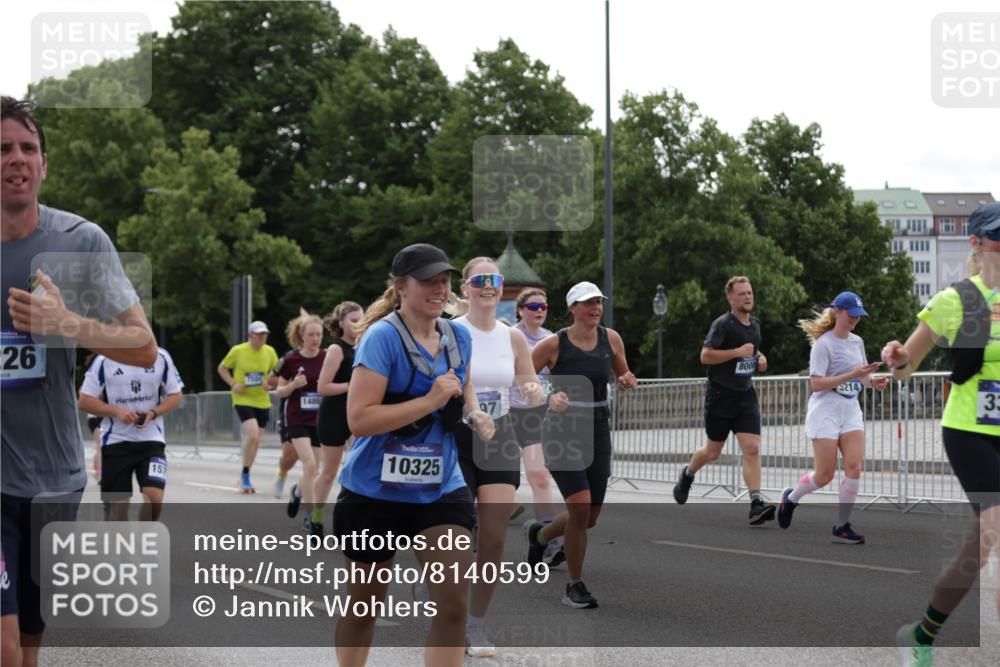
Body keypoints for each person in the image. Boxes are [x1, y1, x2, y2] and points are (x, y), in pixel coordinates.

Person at [2, 95, 158, 667]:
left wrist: (66, 323)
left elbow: (143, 348)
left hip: (53, 474)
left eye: (28, 148)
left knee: (32, 628)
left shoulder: (81, 241)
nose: (16, 158)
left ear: (44, 163)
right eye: (2, 148)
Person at [333, 243, 493, 667]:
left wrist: (475, 413)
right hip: (375, 492)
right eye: (429, 281)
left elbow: (464, 384)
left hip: (440, 487)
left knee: (454, 606)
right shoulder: (382, 338)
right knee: (364, 609)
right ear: (402, 287)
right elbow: (360, 419)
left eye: (444, 280)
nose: (439, 289)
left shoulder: (459, 335)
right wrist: (430, 400)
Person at [884, 202, 1000, 666]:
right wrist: (896, 358)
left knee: (976, 549)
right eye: (998, 237)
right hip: (970, 433)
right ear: (976, 243)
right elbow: (905, 365)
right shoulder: (959, 300)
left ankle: (923, 633)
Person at [524, 281, 637, 609]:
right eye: (587, 303)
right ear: (572, 308)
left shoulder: (610, 339)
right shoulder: (552, 344)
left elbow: (623, 374)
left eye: (598, 302)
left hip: (598, 431)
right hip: (561, 432)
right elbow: (523, 379)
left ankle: (541, 536)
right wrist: (547, 395)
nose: (595, 308)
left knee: (588, 517)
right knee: (580, 506)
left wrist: (628, 380)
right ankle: (574, 585)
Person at [452, 259, 544, 656]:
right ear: (466, 287)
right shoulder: (451, 331)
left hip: (500, 436)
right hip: (455, 436)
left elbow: (528, 383)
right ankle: (437, 587)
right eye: (480, 280)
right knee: (454, 538)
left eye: (495, 280)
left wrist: (543, 395)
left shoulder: (513, 338)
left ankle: (475, 626)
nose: (488, 286)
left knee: (492, 539)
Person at [776, 291, 888, 543]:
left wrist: (873, 382)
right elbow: (816, 384)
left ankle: (842, 525)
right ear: (837, 312)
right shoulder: (823, 345)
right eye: (852, 315)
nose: (855, 320)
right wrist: (853, 375)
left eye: (859, 317)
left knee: (854, 466)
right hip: (824, 412)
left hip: (850, 412)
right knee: (824, 475)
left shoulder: (857, 342)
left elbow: (862, 376)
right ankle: (791, 498)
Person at [672, 276, 777, 525]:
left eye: (750, 292)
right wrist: (736, 353)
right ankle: (687, 474)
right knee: (712, 451)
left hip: (745, 396)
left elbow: (752, 351)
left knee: (752, 448)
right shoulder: (722, 325)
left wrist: (760, 357)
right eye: (741, 293)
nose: (747, 297)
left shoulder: (756, 324)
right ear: (731, 298)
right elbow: (705, 356)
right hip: (720, 396)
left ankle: (755, 503)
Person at [78, 348, 184, 521]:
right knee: (119, 512)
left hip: (151, 440)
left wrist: (153, 413)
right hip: (115, 442)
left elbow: (176, 395)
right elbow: (84, 401)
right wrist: (116, 411)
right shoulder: (104, 360)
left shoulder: (161, 356)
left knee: (154, 498)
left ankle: (143, 538)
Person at [509, 288, 564, 566]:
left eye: (543, 306)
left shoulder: (551, 340)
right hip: (505, 415)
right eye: (533, 306)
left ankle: (549, 539)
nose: (539, 310)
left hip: (534, 417)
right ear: (520, 310)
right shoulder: (509, 336)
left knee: (539, 476)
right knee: (498, 484)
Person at [272, 309, 326, 534]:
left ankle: (297, 492)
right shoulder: (292, 360)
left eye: (319, 335)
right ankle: (311, 517)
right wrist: (293, 385)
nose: (315, 339)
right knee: (310, 464)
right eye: (311, 335)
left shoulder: (327, 357)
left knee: (316, 470)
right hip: (296, 419)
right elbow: (279, 392)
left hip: (320, 420)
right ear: (302, 336)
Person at [310, 301, 362, 536]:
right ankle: (316, 517)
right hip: (333, 414)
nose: (358, 324)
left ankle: (355, 518)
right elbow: (323, 387)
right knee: (329, 470)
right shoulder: (336, 349)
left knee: (359, 466)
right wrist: (350, 385)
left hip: (358, 413)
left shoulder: (365, 345)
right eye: (353, 320)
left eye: (361, 319)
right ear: (341, 323)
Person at [217, 320, 279, 493]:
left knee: (257, 441)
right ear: (250, 335)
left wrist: (270, 384)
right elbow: (222, 368)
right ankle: (245, 476)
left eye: (264, 334)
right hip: (242, 399)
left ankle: (245, 474)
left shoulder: (270, 351)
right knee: (252, 435)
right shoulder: (238, 350)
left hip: (262, 400)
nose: (262, 337)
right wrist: (232, 383)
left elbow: (275, 375)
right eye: (259, 334)